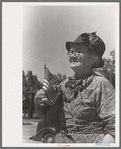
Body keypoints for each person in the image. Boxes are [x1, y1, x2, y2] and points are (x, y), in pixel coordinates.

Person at [34, 32, 115, 143]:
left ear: (93, 58)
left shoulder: (101, 84)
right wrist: (41, 104)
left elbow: (113, 129)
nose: (72, 55)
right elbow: (49, 120)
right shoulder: (62, 85)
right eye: (71, 51)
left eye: (79, 51)